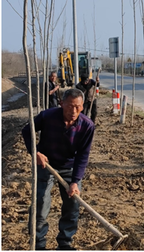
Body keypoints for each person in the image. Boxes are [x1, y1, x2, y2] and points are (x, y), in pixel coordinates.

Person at [21, 88, 95, 250]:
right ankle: (38, 244)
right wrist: (36, 152)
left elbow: (83, 155)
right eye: (70, 106)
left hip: (69, 168)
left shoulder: (87, 126)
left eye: (78, 107)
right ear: (62, 104)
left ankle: (65, 243)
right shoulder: (48, 116)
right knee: (40, 202)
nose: (74, 111)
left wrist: (75, 181)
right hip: (45, 164)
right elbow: (27, 131)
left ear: (82, 106)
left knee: (72, 205)